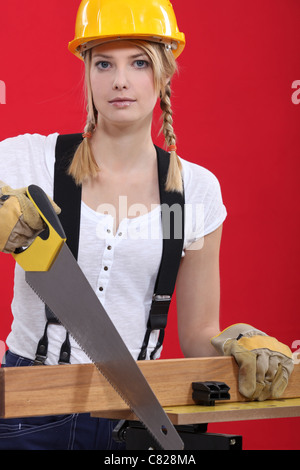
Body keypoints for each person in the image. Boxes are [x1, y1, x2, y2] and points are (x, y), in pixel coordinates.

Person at [0, 0, 294, 450]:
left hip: (137, 410)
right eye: (104, 63)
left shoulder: (195, 191)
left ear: (164, 72)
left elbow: (197, 335)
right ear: (87, 71)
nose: (120, 80)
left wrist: (238, 344)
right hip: (29, 407)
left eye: (138, 63)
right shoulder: (28, 160)